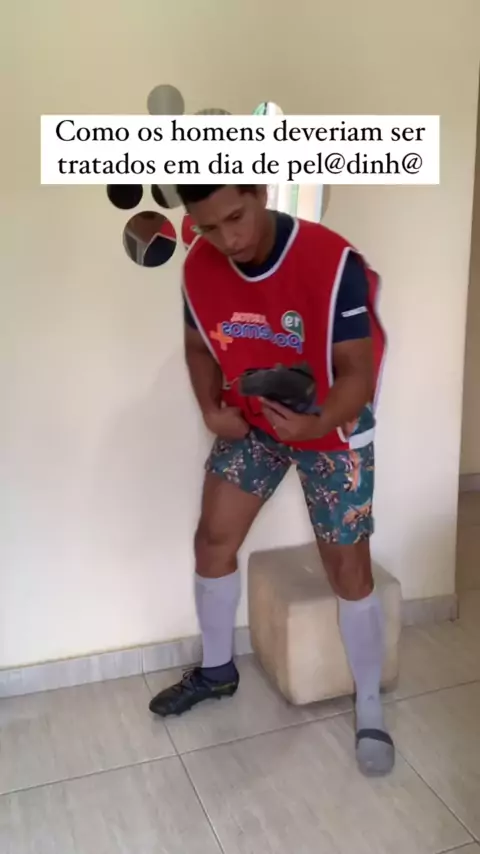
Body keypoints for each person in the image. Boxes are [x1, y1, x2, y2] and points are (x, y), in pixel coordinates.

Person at [149, 184, 394, 777]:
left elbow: (358, 372)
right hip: (256, 419)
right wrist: (210, 409)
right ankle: (217, 670)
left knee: (348, 568)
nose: (227, 239)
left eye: (235, 217)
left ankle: (369, 705)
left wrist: (317, 423)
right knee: (213, 539)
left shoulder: (331, 261)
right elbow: (198, 345)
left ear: (260, 193)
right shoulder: (199, 268)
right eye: (209, 228)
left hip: (332, 423)